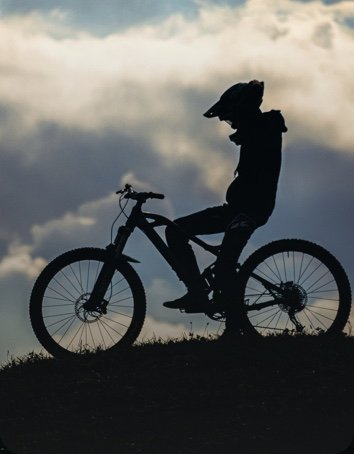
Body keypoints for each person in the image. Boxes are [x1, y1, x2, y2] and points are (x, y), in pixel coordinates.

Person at [163, 80, 287, 313]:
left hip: (249, 211)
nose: (230, 123)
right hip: (237, 209)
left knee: (224, 268)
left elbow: (256, 138)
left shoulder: (264, 127)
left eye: (231, 116)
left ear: (243, 110)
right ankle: (197, 292)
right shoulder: (258, 128)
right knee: (175, 230)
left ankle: (232, 324)